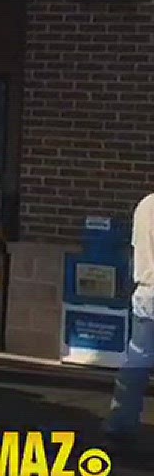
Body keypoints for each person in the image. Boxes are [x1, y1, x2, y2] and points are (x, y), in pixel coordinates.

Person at [104, 191, 154, 453]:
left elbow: (136, 248)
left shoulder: (145, 205)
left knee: (137, 359)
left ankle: (121, 421)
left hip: (147, 291)